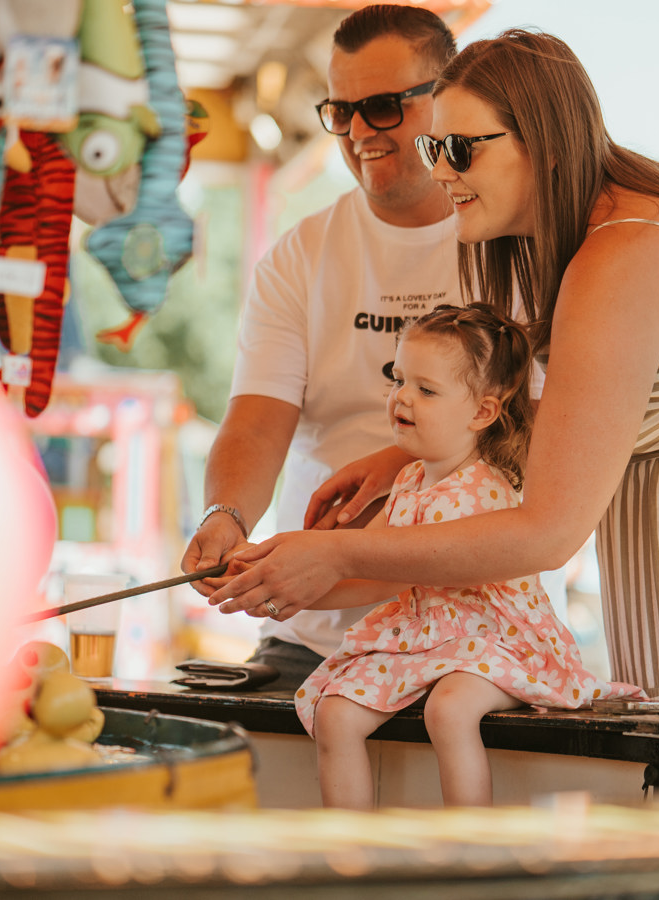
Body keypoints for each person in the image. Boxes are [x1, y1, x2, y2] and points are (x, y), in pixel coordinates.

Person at [213, 30, 659, 728]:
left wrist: (336, 552)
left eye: (462, 148)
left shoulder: (621, 257)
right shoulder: (606, 233)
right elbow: (569, 423)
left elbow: (545, 531)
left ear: (546, 144)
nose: (441, 172)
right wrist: (393, 468)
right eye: (437, 147)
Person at [239, 304, 642, 809]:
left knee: (450, 711)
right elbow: (374, 575)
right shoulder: (408, 481)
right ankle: (350, 855)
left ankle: (466, 851)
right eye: (398, 379)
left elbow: (426, 571)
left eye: (425, 390)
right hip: (424, 640)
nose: (402, 397)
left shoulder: (488, 489)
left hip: (496, 640)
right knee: (335, 713)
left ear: (481, 413)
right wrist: (280, 594)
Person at [180, 5, 463, 692]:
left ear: (448, 101)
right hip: (308, 631)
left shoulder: (505, 243)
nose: (360, 131)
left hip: (466, 630)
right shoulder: (301, 254)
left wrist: (400, 460)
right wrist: (226, 516)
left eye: (385, 107)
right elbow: (255, 419)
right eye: (342, 111)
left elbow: (529, 431)